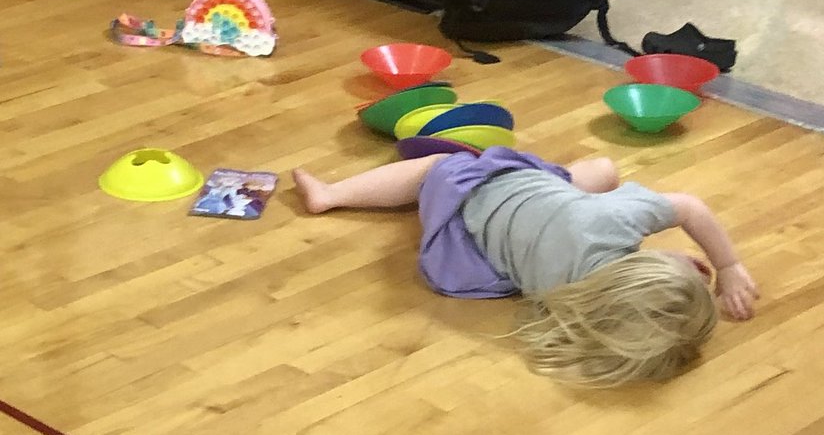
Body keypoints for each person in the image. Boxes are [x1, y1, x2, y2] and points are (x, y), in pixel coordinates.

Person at [292, 147, 758, 388]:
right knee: (578, 188)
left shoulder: (614, 219)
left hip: (483, 191)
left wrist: (729, 265)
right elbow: (604, 276)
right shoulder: (565, 300)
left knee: (437, 166)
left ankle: (333, 194)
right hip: (475, 248)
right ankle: (333, 195)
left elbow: (689, 206)